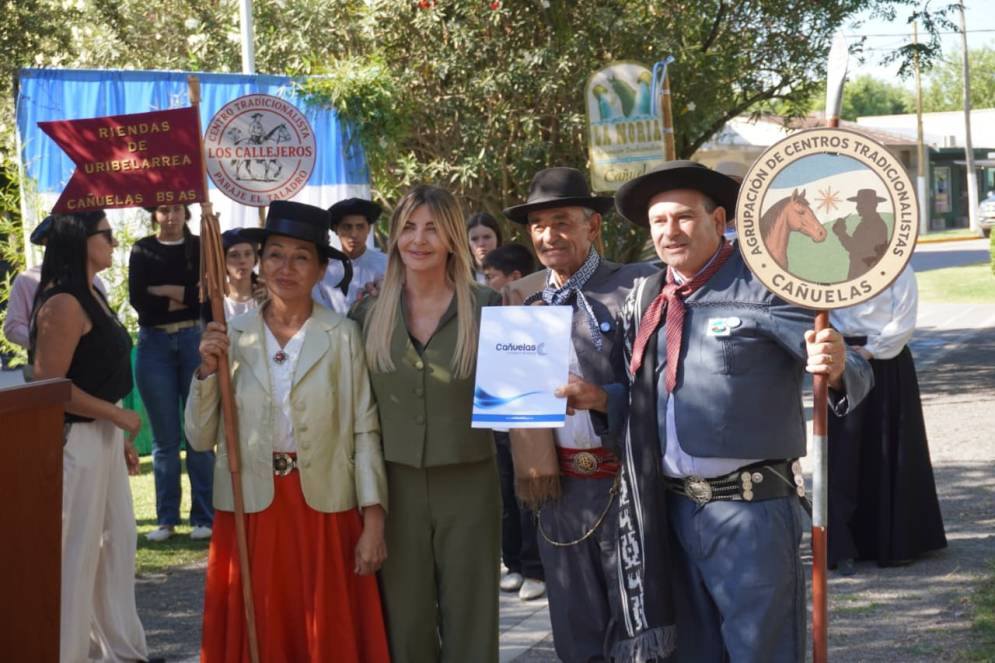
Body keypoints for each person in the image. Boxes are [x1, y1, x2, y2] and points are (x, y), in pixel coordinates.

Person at [558, 161, 874, 662]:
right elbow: (651, 407)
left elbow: (853, 366)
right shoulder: (649, 299)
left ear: (719, 217)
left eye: (683, 217)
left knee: (762, 653)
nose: (670, 232)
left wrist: (835, 364)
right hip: (673, 513)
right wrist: (599, 399)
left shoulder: (763, 285)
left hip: (751, 515)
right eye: (658, 222)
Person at [186, 200, 390, 663]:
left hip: (325, 505)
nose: (286, 267)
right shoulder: (231, 335)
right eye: (275, 254)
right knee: (258, 624)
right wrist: (205, 372)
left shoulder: (341, 335)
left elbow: (364, 429)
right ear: (259, 263)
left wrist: (373, 518)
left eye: (302, 256)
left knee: (324, 627)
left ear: (321, 269)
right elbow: (200, 438)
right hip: (250, 504)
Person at [500, 166, 657, 661]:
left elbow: (670, 390)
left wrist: (602, 397)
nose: (549, 235)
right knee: (575, 629)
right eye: (539, 225)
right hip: (559, 493)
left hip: (627, 487)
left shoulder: (636, 288)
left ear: (594, 226)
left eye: (562, 221)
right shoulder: (522, 301)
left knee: (638, 625)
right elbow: (510, 408)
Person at [350, 185, 501, 663]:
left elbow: (521, 401)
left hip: (471, 481)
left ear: (454, 237)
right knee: (405, 623)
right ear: (393, 237)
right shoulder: (367, 313)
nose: (419, 239)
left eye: (433, 228)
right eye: (409, 227)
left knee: (472, 620)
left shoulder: (490, 307)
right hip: (395, 489)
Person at [30, 211, 150, 663]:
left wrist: (116, 431)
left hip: (102, 437)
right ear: (81, 239)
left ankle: (116, 649)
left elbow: (100, 374)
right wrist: (116, 419)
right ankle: (67, 652)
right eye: (107, 234)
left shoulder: (92, 295)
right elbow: (49, 386)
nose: (115, 242)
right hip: (74, 444)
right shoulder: (62, 303)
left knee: (115, 544)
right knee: (77, 553)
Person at [828, 265, 946, 574]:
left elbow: (904, 319)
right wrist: (836, 350)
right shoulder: (827, 264)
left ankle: (894, 541)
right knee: (843, 453)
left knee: (890, 445)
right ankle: (843, 545)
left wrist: (870, 351)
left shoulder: (897, 266)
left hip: (887, 364)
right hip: (840, 363)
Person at [129, 203, 214, 542]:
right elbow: (140, 302)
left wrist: (163, 291)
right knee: (165, 439)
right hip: (154, 345)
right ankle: (166, 519)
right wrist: (183, 296)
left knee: (199, 432)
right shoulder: (142, 249)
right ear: (155, 215)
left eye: (177, 209)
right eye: (164, 210)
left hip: (194, 336)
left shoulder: (199, 247)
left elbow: (205, 299)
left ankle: (204, 517)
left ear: (185, 212)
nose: (171, 216)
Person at [478, 243, 545, 601]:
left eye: (490, 277)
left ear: (516, 278)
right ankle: (514, 564)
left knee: (530, 499)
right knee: (505, 497)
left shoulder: (541, 315)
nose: (484, 283)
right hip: (496, 424)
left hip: (531, 425)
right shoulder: (484, 316)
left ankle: (536, 568)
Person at [4, 216, 105, 357]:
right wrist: (49, 342)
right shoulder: (27, 280)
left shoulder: (94, 280)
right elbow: (13, 328)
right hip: (48, 360)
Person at [313, 197, 386, 313]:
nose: (354, 234)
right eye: (347, 227)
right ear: (336, 229)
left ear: (368, 229)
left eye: (360, 226)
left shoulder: (385, 265)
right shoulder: (323, 269)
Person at [833, 188, 890, 280]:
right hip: (862, 272)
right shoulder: (867, 224)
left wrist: (841, 233)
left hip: (865, 274)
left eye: (861, 204)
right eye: (858, 204)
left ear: (872, 205)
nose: (857, 207)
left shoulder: (874, 225)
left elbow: (855, 248)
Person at [220, 228, 266, 320]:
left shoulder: (265, 295)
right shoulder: (216, 300)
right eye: (234, 255)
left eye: (248, 254)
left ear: (255, 258)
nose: (242, 261)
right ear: (223, 261)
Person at [467, 211, 503, 284]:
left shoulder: (511, 272)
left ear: (497, 238)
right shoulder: (459, 277)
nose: (481, 244)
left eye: (487, 237)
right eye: (474, 239)